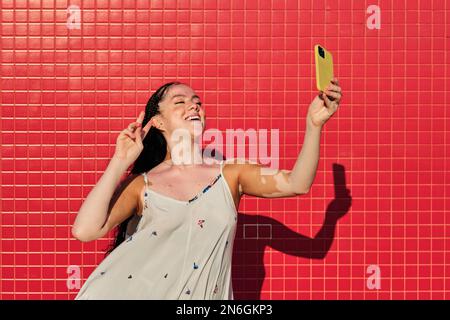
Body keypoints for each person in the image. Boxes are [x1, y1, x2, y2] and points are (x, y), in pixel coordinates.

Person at [72, 79, 343, 299]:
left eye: (197, 102)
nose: (194, 106)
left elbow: (297, 183)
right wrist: (119, 162)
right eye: (180, 102)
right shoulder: (142, 185)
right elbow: (85, 231)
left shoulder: (230, 174)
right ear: (158, 122)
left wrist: (314, 125)